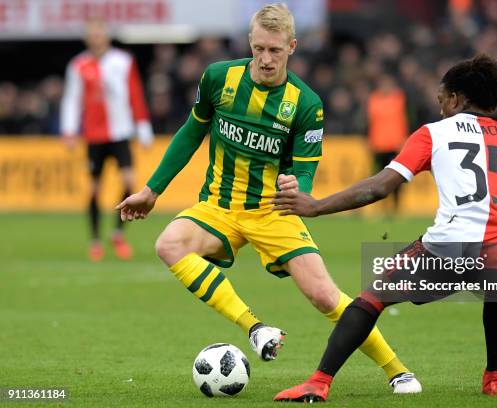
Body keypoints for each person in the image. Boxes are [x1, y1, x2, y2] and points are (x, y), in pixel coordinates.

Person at [116, 3, 420, 394]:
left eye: (275, 50)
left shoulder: (306, 104)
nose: (265, 59)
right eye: (259, 48)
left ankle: (398, 371)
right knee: (168, 243)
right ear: (250, 43)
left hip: (273, 211)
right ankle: (255, 328)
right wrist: (151, 190)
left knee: (324, 295)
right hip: (219, 207)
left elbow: (306, 168)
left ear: (292, 47)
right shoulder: (218, 78)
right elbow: (191, 133)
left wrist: (299, 186)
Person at [272, 54, 497, 402]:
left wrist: (316, 206)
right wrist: (495, 211)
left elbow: (379, 187)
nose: (440, 107)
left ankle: (319, 382)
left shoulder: (433, 133)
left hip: (450, 246)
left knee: (372, 298)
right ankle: (495, 379)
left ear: (456, 99)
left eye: (442, 100)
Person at [60, 20, 153, 262]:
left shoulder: (122, 61)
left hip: (120, 133)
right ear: (87, 39)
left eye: (100, 34)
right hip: (94, 136)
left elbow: (135, 93)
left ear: (106, 37)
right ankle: (95, 240)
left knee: (129, 182)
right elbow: (72, 99)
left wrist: (143, 127)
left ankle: (117, 234)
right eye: (92, 35)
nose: (96, 39)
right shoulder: (78, 65)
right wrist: (69, 130)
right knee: (93, 189)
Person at [367, 73, 408, 214]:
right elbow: (369, 122)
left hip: (394, 145)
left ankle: (396, 208)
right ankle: (382, 208)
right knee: (378, 177)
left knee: (396, 178)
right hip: (378, 145)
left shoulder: (399, 98)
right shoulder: (374, 99)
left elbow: (406, 119)